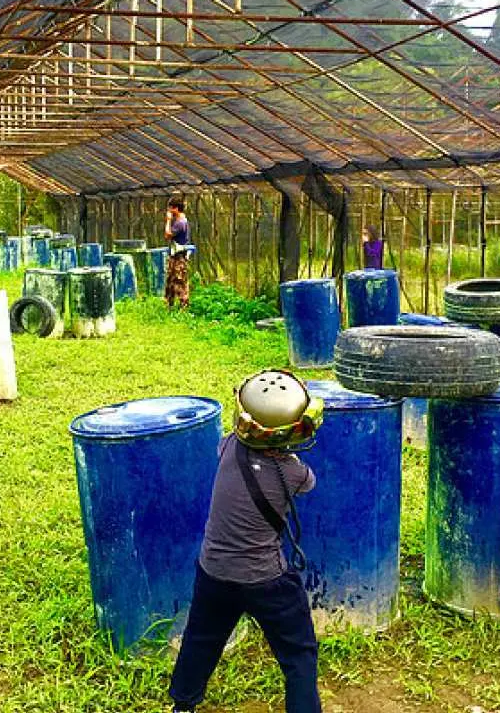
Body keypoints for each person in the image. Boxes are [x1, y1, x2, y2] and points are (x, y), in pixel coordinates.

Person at [169, 370, 325, 713]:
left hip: (213, 572)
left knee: (201, 639)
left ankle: (183, 705)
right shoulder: (295, 472)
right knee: (299, 653)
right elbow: (309, 482)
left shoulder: (227, 446)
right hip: (265, 580)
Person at [164, 197, 192, 310]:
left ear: (176, 208)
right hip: (175, 255)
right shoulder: (180, 220)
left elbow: (167, 234)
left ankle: (184, 306)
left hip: (179, 257)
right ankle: (169, 305)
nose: (169, 210)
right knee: (171, 281)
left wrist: (168, 220)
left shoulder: (180, 222)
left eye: (170, 208)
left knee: (179, 281)